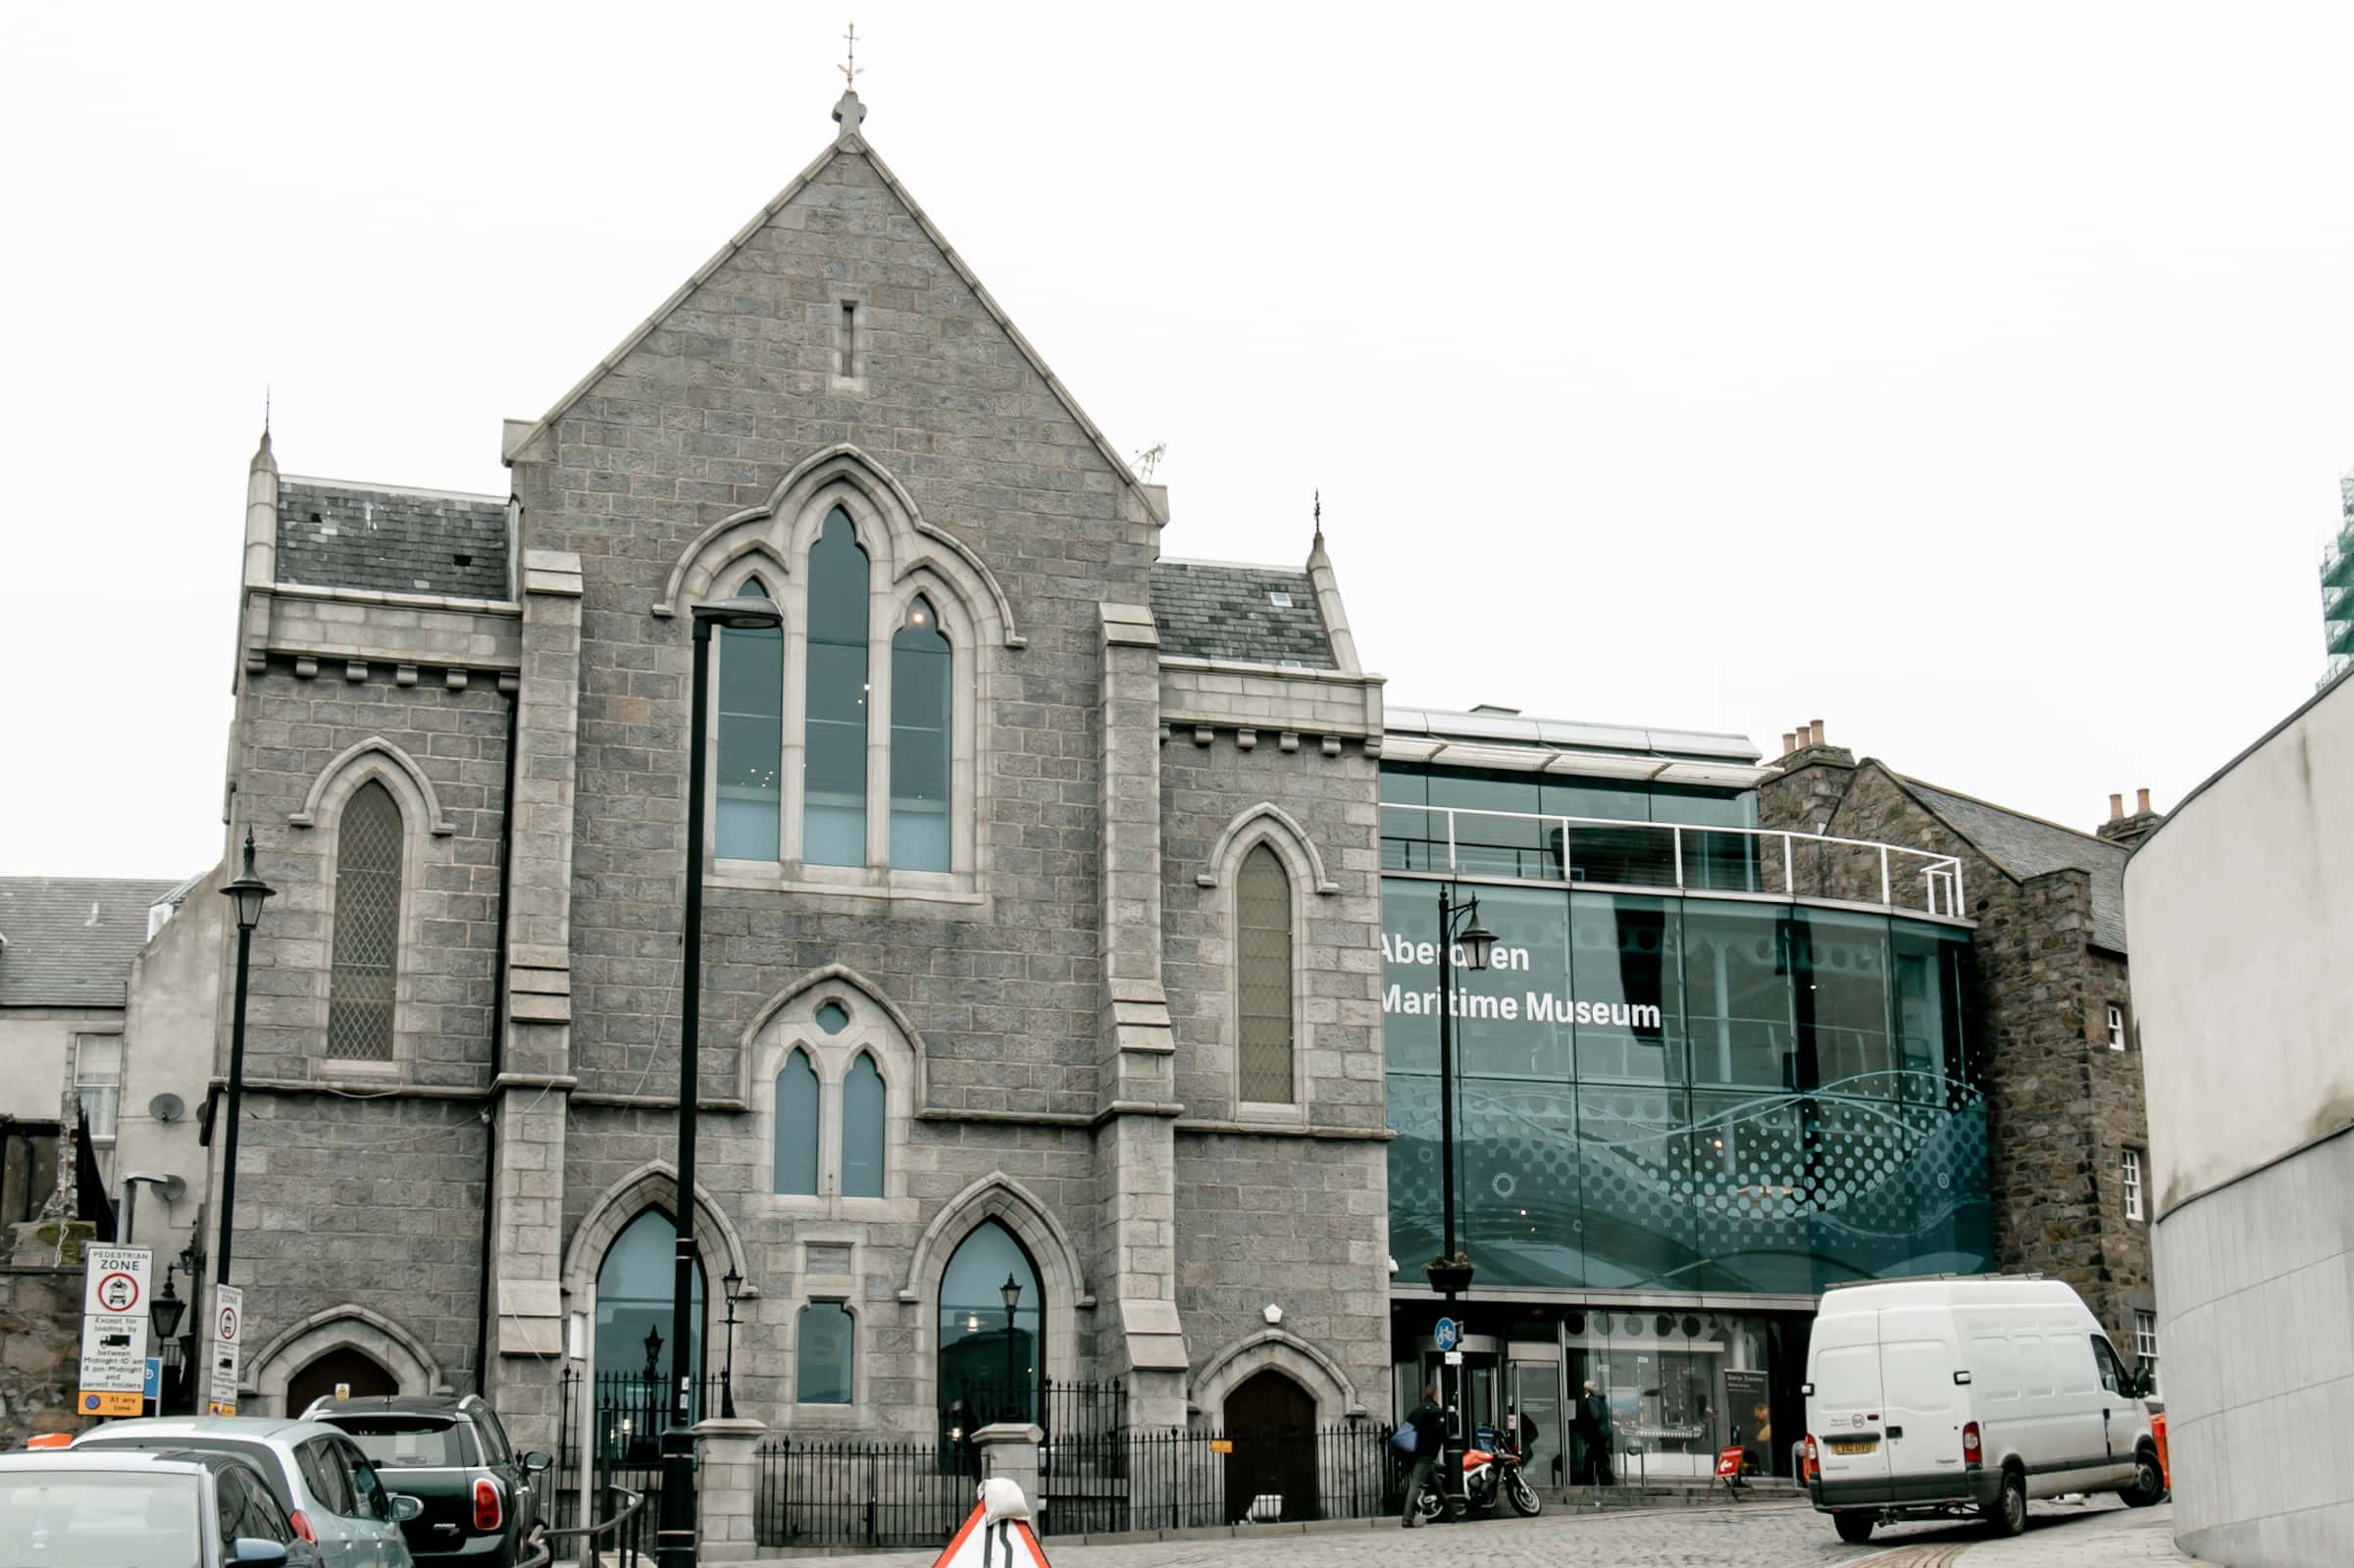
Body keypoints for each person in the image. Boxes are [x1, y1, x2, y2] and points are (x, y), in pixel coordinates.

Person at [1399, 1381, 1448, 1527]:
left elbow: (1406, 1431)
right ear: (1435, 1395)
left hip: (1414, 1453)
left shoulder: (1416, 1411)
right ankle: (1407, 1518)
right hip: (1426, 1454)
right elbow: (1440, 1433)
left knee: (1436, 1485)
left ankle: (1450, 1513)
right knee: (1415, 1484)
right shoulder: (1435, 1411)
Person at [1580, 1380, 1616, 1487]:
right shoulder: (1602, 1401)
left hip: (1597, 1434)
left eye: (1584, 1389)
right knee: (1600, 1458)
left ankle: (1595, 1482)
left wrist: (1584, 1419)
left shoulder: (1591, 1400)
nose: (1583, 1391)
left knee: (1593, 1459)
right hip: (1603, 1433)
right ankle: (1604, 1481)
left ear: (1588, 1390)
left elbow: (1594, 1416)